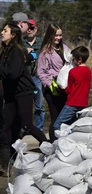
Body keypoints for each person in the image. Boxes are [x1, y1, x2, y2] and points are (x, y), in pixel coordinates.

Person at [0, 23, 48, 176]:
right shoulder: (5, 51)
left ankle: (49, 146)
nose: (2, 32)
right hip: (10, 94)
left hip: (23, 92)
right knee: (6, 127)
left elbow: (12, 74)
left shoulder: (16, 51)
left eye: (5, 31)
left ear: (13, 35)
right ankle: (5, 165)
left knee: (27, 124)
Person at [37, 23, 72, 142]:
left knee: (65, 116)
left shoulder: (65, 48)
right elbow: (41, 72)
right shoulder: (46, 52)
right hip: (52, 87)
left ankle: (64, 141)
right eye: (56, 35)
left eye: (60, 35)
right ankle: (53, 143)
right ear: (50, 35)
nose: (58, 38)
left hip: (64, 86)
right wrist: (51, 84)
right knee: (55, 117)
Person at [53, 46, 92, 132]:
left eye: (73, 59)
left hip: (72, 103)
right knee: (74, 124)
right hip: (83, 103)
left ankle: (60, 142)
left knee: (57, 125)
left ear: (79, 60)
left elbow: (68, 89)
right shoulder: (88, 71)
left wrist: (60, 88)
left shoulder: (73, 72)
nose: (72, 61)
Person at [23, 19, 45, 131]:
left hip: (37, 78)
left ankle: (39, 128)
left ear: (36, 29)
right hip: (24, 78)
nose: (29, 30)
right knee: (24, 105)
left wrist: (32, 54)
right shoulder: (21, 42)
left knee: (39, 105)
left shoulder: (41, 42)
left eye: (32, 28)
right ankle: (23, 128)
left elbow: (44, 54)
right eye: (28, 28)